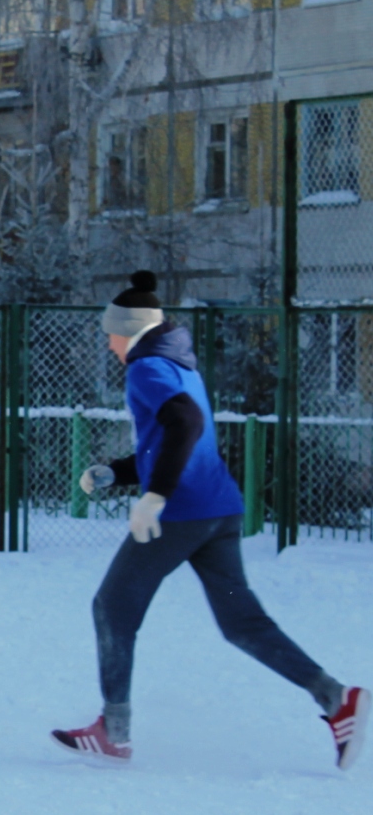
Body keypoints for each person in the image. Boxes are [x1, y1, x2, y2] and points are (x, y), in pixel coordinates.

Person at [54, 270, 366, 769]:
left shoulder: (146, 368)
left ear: (129, 329)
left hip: (181, 513)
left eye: (111, 334)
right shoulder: (182, 367)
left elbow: (186, 425)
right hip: (218, 510)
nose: (110, 345)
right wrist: (117, 473)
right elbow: (173, 439)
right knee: (242, 623)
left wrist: (155, 498)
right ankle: (335, 698)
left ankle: (113, 731)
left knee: (112, 607)